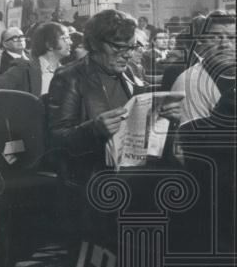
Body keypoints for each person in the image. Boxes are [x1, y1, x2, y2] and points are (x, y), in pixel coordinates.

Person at [48, 10, 183, 187]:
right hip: (96, 177)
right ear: (96, 44)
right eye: (119, 47)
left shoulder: (129, 71)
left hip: (135, 171)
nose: (127, 54)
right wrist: (93, 129)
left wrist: (167, 118)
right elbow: (56, 141)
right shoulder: (69, 77)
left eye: (132, 47)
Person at [171, 11, 235, 125]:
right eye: (215, 37)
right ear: (203, 40)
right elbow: (197, 139)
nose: (225, 43)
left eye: (232, 37)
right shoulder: (189, 83)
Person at [0, 22, 70, 97]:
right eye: (65, 38)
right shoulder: (23, 68)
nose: (70, 42)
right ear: (49, 44)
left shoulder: (65, 71)